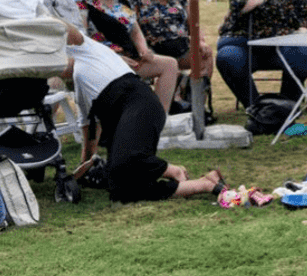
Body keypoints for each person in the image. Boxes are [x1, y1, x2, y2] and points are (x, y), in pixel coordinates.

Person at [62, 20, 224, 202]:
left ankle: (173, 170)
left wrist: (42, 19)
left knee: (129, 159)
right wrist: (85, 165)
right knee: (122, 189)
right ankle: (202, 184)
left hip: (140, 103)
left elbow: (69, 31)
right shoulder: (79, 79)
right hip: (125, 117)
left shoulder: (87, 50)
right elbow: (88, 128)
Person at [71, 0, 180, 114]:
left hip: (130, 57)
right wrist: (114, 58)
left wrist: (143, 50)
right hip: (99, 61)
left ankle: (159, 116)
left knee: (169, 65)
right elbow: (82, 37)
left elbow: (134, 28)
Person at [214, 0, 307, 108]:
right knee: (227, 56)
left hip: (281, 47)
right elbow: (238, 6)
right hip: (246, 45)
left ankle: (287, 106)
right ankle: (256, 108)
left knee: (304, 51)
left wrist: (303, 30)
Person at [118, 0, 213, 103]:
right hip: (151, 50)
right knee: (169, 66)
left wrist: (199, 41)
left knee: (205, 56)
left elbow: (193, 22)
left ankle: (195, 104)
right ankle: (168, 103)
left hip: (180, 46)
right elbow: (130, 27)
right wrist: (140, 49)